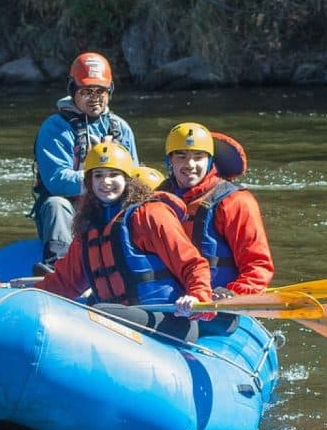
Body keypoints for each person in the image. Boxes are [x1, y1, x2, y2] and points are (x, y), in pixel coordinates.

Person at [35, 142, 214, 340]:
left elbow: (192, 264)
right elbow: (64, 282)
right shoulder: (89, 228)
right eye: (99, 175)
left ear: (128, 179)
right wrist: (27, 299)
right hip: (115, 318)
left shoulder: (149, 214)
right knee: (92, 308)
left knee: (95, 312)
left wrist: (198, 296)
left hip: (169, 320)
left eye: (114, 174)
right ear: (89, 182)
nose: (106, 182)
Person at [30, 52, 138, 274]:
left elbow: (135, 177)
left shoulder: (121, 128)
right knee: (55, 204)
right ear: (72, 90)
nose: (95, 98)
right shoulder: (55, 128)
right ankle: (58, 267)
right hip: (70, 209)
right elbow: (57, 181)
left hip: (112, 205)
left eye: (101, 92)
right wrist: (100, 176)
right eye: (86, 92)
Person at [159, 122, 274, 295]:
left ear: (211, 160)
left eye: (198, 157)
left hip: (219, 302)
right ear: (170, 161)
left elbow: (257, 265)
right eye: (181, 156)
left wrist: (234, 295)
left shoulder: (235, 201)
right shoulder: (157, 200)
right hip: (170, 301)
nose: (190, 164)